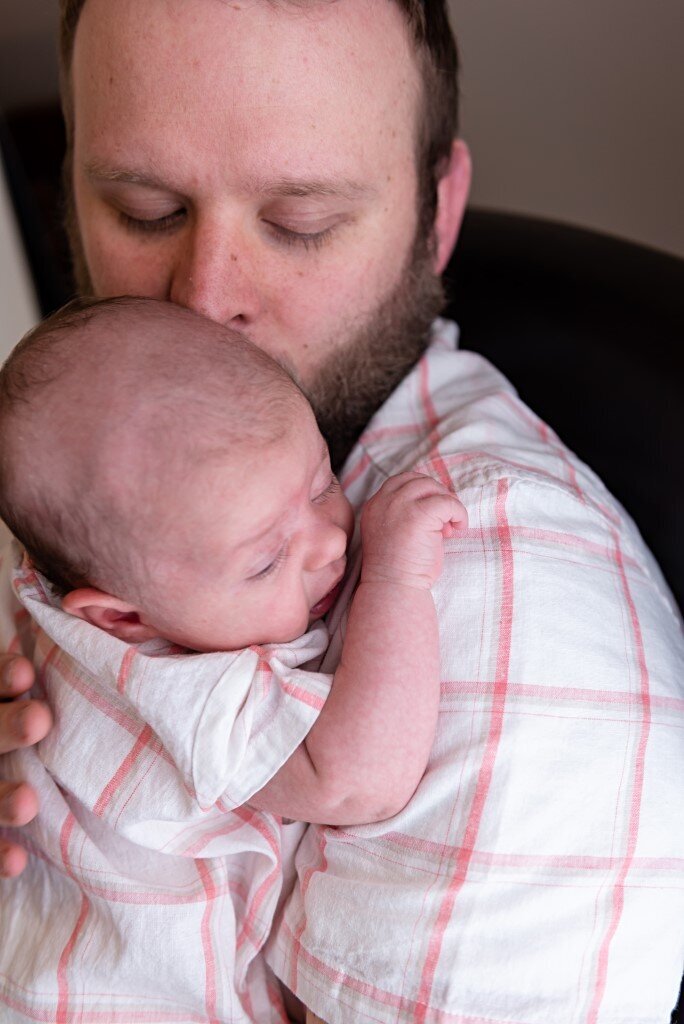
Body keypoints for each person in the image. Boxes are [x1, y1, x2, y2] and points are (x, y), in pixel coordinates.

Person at [0, 0, 682, 1020]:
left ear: (437, 214)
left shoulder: (497, 606)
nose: (205, 299)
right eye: (145, 209)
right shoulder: (80, 467)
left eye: (300, 223)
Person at [0, 294, 465, 1022]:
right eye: (266, 560)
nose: (329, 543)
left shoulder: (55, 588)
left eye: (321, 484)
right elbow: (353, 781)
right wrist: (400, 583)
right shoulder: (177, 685)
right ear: (122, 618)